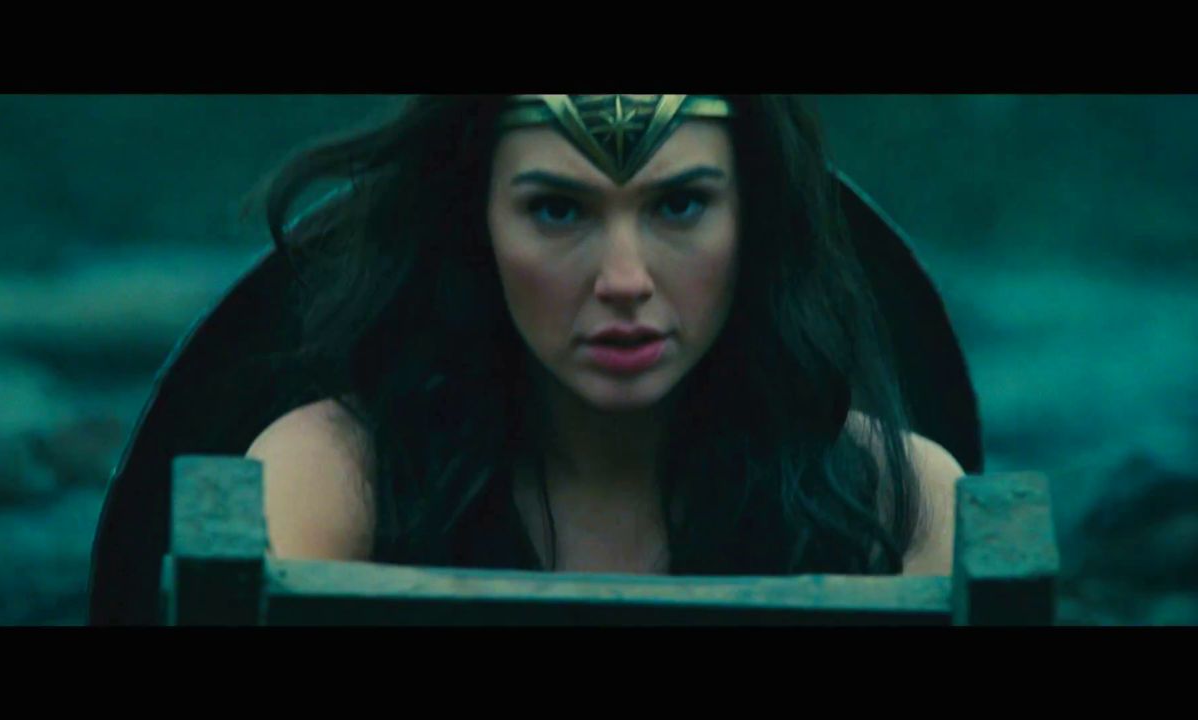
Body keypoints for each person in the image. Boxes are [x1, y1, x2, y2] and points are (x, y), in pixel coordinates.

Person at [244, 94, 965, 578]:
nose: (625, 279)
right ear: (474, 222)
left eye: (679, 204)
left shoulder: (896, 509)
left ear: (754, 218)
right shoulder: (333, 483)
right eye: (558, 210)